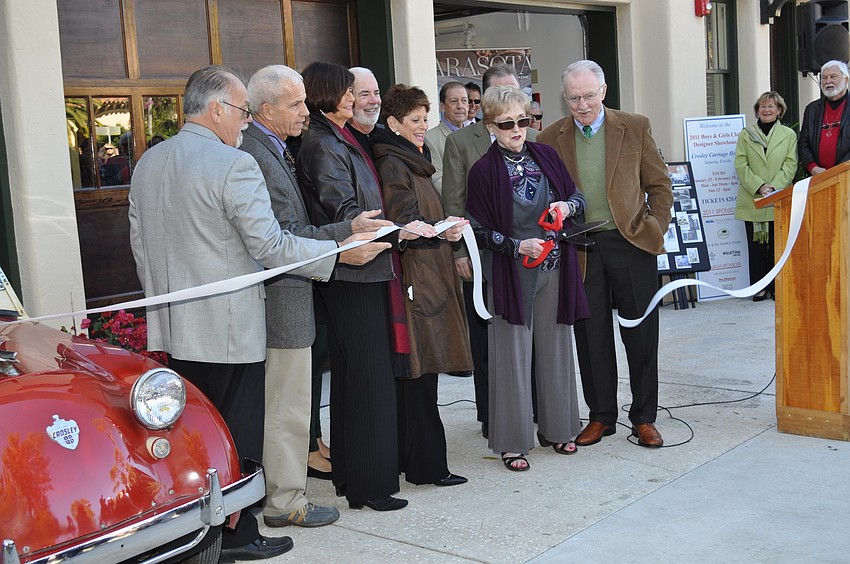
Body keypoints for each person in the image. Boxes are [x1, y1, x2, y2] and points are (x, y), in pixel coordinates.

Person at [129, 65, 388, 559]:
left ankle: (200, 532)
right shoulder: (234, 164)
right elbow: (270, 246)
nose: (245, 122)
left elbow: (141, 247)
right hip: (231, 330)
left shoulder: (149, 162)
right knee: (237, 438)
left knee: (194, 437)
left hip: (177, 328)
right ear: (217, 110)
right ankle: (237, 536)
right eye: (242, 111)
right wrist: (338, 254)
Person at [241, 64, 394, 528]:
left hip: (299, 289)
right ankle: (285, 502)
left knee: (292, 406)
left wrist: (351, 228)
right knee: (285, 409)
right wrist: (345, 236)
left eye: (305, 101)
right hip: (286, 295)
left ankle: (287, 496)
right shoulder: (259, 153)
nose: (304, 111)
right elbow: (282, 236)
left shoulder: (278, 147)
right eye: (295, 104)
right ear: (266, 109)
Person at [297, 61, 429, 512]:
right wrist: (399, 231)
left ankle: (356, 478)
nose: (354, 99)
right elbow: (345, 213)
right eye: (347, 92)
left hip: (367, 268)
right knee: (367, 380)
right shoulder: (323, 142)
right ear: (326, 95)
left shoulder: (339, 136)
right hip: (353, 273)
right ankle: (370, 488)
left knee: (360, 377)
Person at [538, 59, 673, 448]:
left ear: (603, 91)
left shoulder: (635, 126)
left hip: (631, 242)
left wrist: (655, 227)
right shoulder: (549, 138)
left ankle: (644, 417)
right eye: (573, 98)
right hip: (580, 248)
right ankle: (601, 416)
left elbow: (660, 185)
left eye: (588, 96)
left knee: (641, 333)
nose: (582, 105)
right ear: (564, 98)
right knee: (590, 335)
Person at [466, 86, 588, 471]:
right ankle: (512, 442)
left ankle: (560, 429)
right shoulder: (483, 171)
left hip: (555, 267)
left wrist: (566, 206)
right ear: (490, 126)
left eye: (523, 120)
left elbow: (579, 199)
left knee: (556, 349)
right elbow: (476, 228)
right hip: (511, 273)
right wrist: (517, 246)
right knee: (511, 357)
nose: (517, 130)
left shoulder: (546, 155)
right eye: (507, 124)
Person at [370, 83, 472, 486]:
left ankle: (418, 464)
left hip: (428, 275)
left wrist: (443, 228)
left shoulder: (413, 157)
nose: (422, 126)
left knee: (420, 378)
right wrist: (440, 229)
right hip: (418, 281)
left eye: (425, 118)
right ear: (393, 123)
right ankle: (428, 468)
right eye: (415, 119)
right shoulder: (396, 163)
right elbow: (406, 223)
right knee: (420, 376)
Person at [442, 63, 531, 441]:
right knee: (487, 339)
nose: (510, 102)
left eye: (515, 94)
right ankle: (492, 415)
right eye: (501, 93)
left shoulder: (529, 136)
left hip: (527, 257)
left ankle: (529, 409)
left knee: (525, 336)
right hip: (482, 255)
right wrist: (459, 252)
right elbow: (454, 200)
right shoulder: (462, 142)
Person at [734, 91, 797, 302]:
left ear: (779, 110)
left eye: (771, 106)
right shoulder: (746, 134)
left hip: (778, 198)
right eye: (762, 106)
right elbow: (740, 164)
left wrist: (774, 188)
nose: (766, 110)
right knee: (756, 248)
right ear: (757, 110)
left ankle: (777, 287)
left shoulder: (788, 135)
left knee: (778, 246)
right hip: (753, 198)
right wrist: (759, 186)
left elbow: (790, 164)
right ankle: (759, 287)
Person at [799, 60, 850, 175]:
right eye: (824, 77)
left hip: (847, 175)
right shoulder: (812, 109)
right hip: (818, 176)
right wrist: (812, 167)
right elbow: (803, 143)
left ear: (845, 79)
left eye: (833, 76)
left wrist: (839, 170)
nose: (828, 81)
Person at [424, 81, 468, 194]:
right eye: (454, 101)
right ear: (442, 107)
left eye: (464, 100)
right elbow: (437, 180)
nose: (460, 106)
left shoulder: (475, 135)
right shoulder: (430, 139)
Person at [348, 66, 382, 151]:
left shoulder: (390, 137)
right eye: (365, 94)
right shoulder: (339, 142)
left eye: (376, 93)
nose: (374, 101)